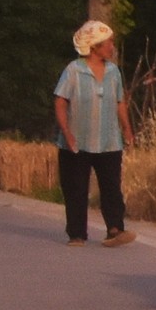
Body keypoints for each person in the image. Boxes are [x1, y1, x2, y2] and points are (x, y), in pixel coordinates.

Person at [53, 21, 130, 246]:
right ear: (94, 47)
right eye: (108, 43)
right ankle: (77, 234)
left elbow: (120, 102)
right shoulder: (74, 70)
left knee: (112, 187)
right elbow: (60, 101)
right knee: (76, 188)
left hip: (108, 141)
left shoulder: (114, 71)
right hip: (77, 140)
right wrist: (66, 132)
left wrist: (127, 128)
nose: (112, 47)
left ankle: (115, 229)